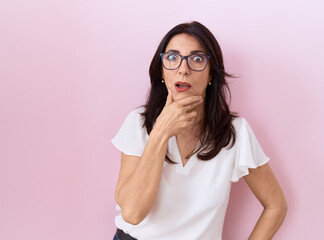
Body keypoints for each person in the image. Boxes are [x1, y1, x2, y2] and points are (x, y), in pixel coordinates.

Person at [111, 21, 287, 240]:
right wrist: (161, 132)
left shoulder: (235, 132)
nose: (183, 69)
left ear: (211, 74)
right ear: (162, 71)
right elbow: (132, 213)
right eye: (173, 58)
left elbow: (275, 206)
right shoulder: (137, 123)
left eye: (197, 59)